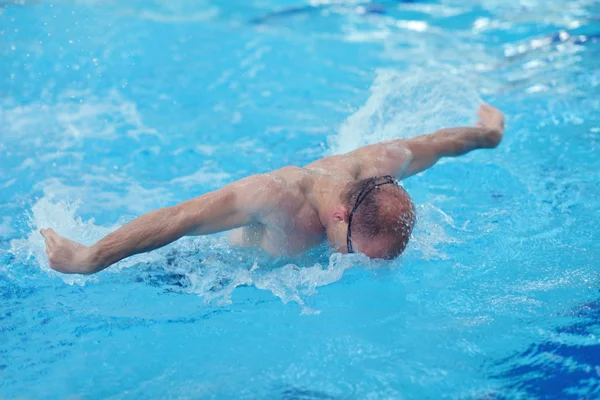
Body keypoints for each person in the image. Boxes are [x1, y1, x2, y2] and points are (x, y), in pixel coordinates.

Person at [41, 104, 505, 275]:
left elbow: (440, 144)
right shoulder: (276, 197)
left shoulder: (381, 167)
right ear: (340, 218)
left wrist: (489, 136)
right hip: (204, 273)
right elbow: (179, 218)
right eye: (357, 255)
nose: (358, 267)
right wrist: (89, 259)